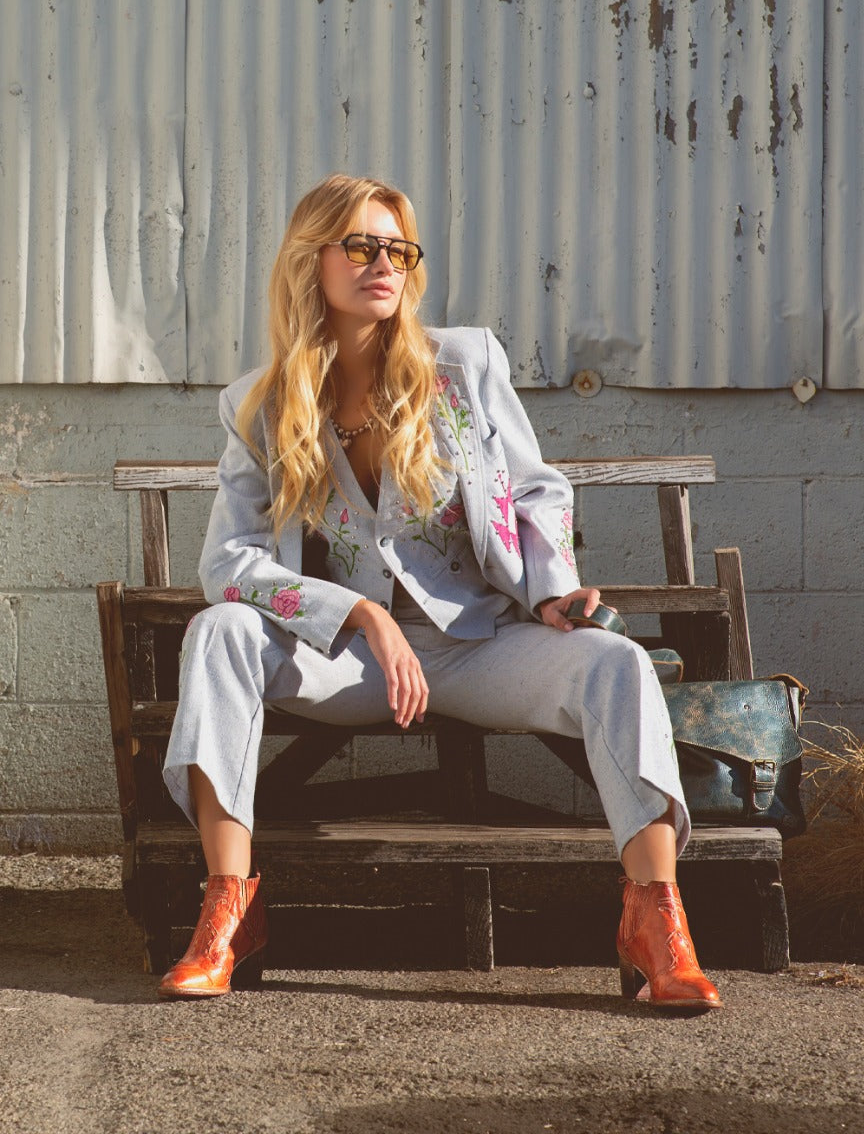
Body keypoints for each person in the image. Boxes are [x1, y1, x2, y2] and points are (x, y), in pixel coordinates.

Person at [157, 173, 721, 1011]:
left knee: (615, 664)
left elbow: (536, 491)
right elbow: (229, 563)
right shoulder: (260, 406)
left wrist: (551, 593)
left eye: (397, 248)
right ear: (311, 262)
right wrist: (357, 613)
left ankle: (657, 925)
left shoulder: (462, 364)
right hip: (348, 661)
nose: (383, 263)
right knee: (217, 634)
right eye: (360, 245)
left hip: (478, 644)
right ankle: (229, 915)